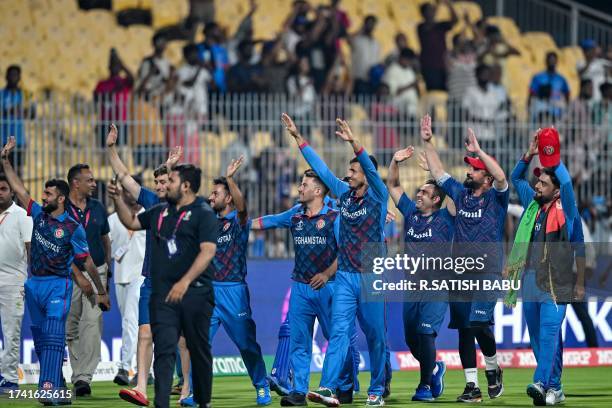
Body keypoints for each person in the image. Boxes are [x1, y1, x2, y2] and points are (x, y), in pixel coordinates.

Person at [283, 113, 390, 406]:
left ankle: (378, 388)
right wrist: (297, 137)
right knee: (340, 332)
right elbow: (322, 169)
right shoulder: (344, 195)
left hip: (372, 275)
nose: (349, 174)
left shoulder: (378, 196)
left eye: (354, 170)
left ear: (366, 175)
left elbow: (368, 167)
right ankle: (328, 387)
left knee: (376, 336)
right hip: (344, 275)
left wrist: (355, 143)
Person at [1, 137, 109, 404]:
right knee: (40, 339)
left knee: (52, 335)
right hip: (33, 284)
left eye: (48, 194)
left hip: (57, 285)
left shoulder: (73, 228)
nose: (42, 197)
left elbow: (88, 263)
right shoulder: (38, 214)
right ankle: (58, 387)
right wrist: (5, 160)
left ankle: (47, 388)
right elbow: (19, 188)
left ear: (60, 198)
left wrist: (101, 291)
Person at [110, 164, 218, 408]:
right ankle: (159, 402)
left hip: (196, 292)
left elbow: (208, 251)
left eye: (171, 180)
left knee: (196, 349)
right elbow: (131, 221)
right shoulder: (159, 210)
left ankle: (201, 400)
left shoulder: (204, 212)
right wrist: (118, 199)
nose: (165, 184)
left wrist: (185, 281)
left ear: (186, 185)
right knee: (164, 349)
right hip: (161, 293)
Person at [251, 169, 359, 406]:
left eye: (304, 184)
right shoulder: (295, 215)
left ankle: (347, 384)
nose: (299, 188)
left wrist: (327, 273)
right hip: (300, 288)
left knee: (337, 338)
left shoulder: (334, 217)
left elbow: (346, 252)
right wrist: (241, 225)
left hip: (330, 287)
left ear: (318, 191)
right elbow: (267, 221)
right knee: (299, 341)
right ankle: (299, 391)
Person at [421, 115, 507, 402]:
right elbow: (438, 170)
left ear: (486, 175)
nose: (468, 171)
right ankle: (472, 387)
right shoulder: (460, 193)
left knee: (480, 324)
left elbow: (503, 178)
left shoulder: (496, 198)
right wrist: (428, 141)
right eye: (469, 168)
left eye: (474, 169)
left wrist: (480, 152)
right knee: (464, 329)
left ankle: (493, 367)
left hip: (489, 272)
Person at [107, 124, 183, 406]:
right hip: (150, 282)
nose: (160, 187)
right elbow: (125, 177)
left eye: (165, 182)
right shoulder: (151, 202)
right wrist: (111, 149)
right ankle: (140, 386)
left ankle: (187, 389)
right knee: (144, 333)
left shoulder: (189, 207)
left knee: (182, 341)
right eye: (157, 183)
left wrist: (170, 166)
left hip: (178, 284)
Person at [507, 128, 585, 406]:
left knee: (550, 334)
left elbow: (580, 248)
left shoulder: (568, 211)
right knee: (541, 340)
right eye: (537, 182)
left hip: (557, 282)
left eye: (542, 183)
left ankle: (540, 382)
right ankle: (555, 388)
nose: (536, 186)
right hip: (530, 280)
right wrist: (529, 154)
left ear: (555, 191)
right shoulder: (532, 204)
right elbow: (515, 177)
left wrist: (553, 157)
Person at [386, 143, 455, 402]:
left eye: (424, 192)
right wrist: (395, 161)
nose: (418, 194)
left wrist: (437, 175)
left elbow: (457, 195)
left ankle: (425, 385)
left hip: (437, 288)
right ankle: (435, 368)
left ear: (436, 199)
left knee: (426, 333)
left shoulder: (447, 218)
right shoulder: (412, 214)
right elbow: (393, 186)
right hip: (412, 287)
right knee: (411, 339)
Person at [206, 157, 272, 405]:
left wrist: (231, 178)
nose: (211, 197)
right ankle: (195, 391)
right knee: (196, 343)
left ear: (228, 198)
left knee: (246, 344)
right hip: (208, 292)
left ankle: (262, 385)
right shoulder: (207, 222)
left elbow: (244, 208)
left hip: (234, 291)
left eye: (216, 193)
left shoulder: (237, 222)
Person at [63, 163, 112, 397]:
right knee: (71, 328)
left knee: (92, 323)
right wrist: (78, 275)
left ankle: (84, 377)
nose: (94, 184)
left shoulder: (98, 208)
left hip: (97, 273)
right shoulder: (60, 209)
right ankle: (77, 372)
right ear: (76, 183)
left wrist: (106, 272)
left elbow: (105, 239)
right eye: (90, 180)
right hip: (70, 274)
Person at [109, 175, 147, 386]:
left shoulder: (148, 216)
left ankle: (124, 367)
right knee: (134, 323)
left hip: (140, 277)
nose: (130, 194)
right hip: (120, 276)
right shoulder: (113, 219)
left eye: (133, 190)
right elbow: (108, 246)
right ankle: (148, 370)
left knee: (131, 322)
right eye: (126, 190)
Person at [0, 174, 33, 393]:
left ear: (12, 191)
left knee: (11, 331)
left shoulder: (22, 215)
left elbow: (31, 248)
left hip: (14, 281)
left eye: (3, 188)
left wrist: (31, 280)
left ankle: (10, 378)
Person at [94, 49, 134, 147]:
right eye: (113, 65)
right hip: (105, 122)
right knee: (104, 150)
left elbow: (132, 79)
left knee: (121, 150)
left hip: (121, 122)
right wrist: (113, 92)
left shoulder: (124, 82)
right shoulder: (102, 84)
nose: (115, 67)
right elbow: (96, 98)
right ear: (109, 67)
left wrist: (122, 63)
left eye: (117, 65)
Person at [418, 0, 458, 91]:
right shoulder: (421, 27)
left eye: (432, 10)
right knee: (434, 92)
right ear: (423, 13)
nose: (431, 13)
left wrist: (449, 5)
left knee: (445, 92)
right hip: (429, 66)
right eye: (429, 10)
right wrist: (438, 5)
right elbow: (429, 25)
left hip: (443, 65)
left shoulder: (440, 26)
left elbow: (455, 20)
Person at [528, 51, 570, 123]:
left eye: (553, 60)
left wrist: (566, 110)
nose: (552, 62)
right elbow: (531, 94)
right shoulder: (538, 77)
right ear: (546, 61)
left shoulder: (561, 79)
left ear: (557, 61)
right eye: (550, 60)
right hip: (540, 111)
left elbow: (567, 94)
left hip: (556, 112)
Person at [381, 47, 419, 116]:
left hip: (411, 109)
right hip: (397, 110)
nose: (409, 62)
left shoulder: (410, 70)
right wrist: (410, 86)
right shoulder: (392, 70)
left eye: (411, 60)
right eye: (408, 60)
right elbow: (393, 91)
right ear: (402, 58)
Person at [135, 33, 173, 100]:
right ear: (153, 44)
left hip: (162, 99)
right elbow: (142, 83)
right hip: (150, 98)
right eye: (159, 41)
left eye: (163, 42)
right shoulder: (147, 62)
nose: (161, 44)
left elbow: (169, 85)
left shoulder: (168, 63)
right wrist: (151, 73)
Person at [350, 15, 381, 95]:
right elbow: (348, 39)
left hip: (373, 80)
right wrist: (361, 30)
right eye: (369, 23)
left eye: (372, 24)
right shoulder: (357, 39)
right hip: (359, 79)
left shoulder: (376, 43)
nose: (371, 26)